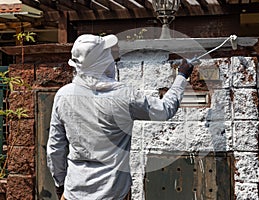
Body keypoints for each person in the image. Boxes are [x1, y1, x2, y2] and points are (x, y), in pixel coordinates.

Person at [46, 34, 193, 200]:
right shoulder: (124, 96)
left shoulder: (63, 95)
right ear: (102, 61)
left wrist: (60, 185)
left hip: (74, 193)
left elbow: (55, 148)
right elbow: (164, 109)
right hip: (113, 193)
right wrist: (182, 76)